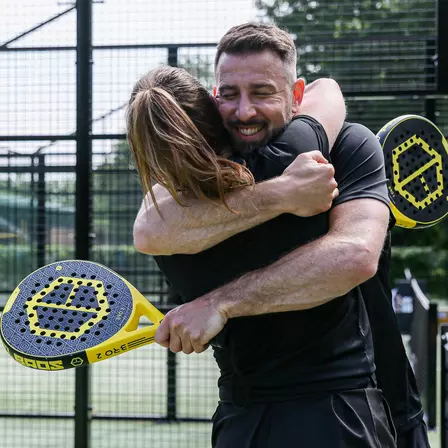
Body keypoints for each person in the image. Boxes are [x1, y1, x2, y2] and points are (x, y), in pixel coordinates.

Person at [131, 23, 429, 448]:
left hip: (255, 419)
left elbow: (147, 230)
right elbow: (355, 255)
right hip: (343, 414)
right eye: (230, 94)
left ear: (295, 95)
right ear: (214, 102)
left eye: (262, 92)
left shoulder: (172, 212)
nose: (245, 110)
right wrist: (284, 193)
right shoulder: (321, 148)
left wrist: (217, 304)